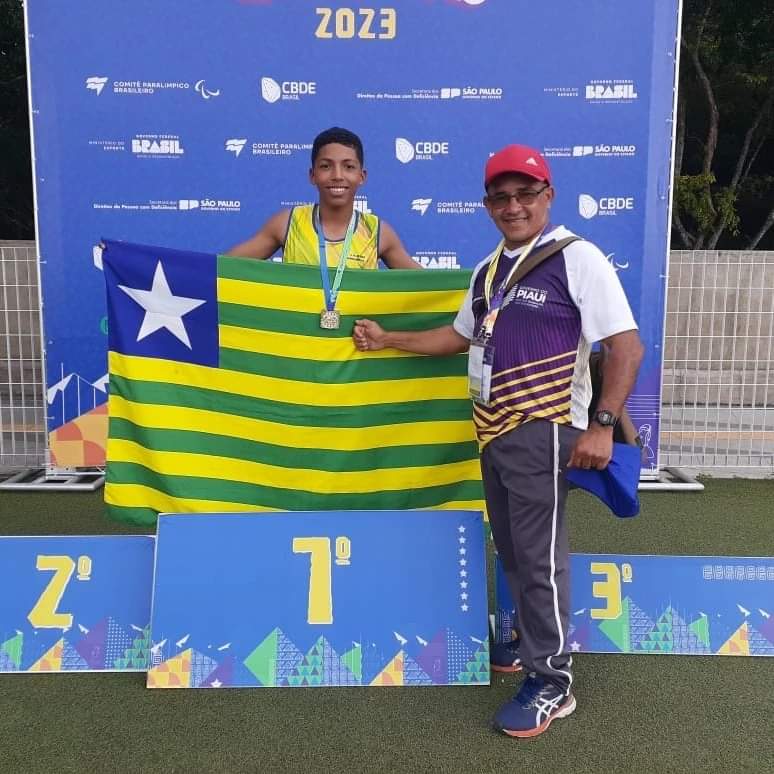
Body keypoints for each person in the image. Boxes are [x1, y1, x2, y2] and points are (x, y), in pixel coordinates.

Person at [353, 144, 644, 738]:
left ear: (548, 196)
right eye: (501, 197)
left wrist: (602, 425)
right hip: (493, 433)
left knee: (538, 560)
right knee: (512, 553)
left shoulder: (577, 257)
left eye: (525, 194)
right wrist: (387, 340)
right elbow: (455, 337)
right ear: (488, 204)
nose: (514, 206)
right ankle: (523, 641)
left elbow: (626, 345)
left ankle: (552, 680)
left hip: (546, 432)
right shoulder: (490, 270)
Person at [226, 126, 420, 270]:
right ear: (312, 175)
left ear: (362, 176)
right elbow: (222, 269)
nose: (337, 175)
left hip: (355, 327)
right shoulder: (287, 223)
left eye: (349, 167)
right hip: (297, 326)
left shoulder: (377, 232)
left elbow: (430, 286)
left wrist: (450, 291)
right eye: (326, 166)